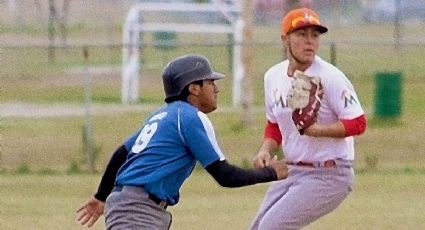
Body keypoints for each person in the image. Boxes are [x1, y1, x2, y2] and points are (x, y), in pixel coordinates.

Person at [76, 54, 289, 229]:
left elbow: (120, 154)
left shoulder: (163, 115)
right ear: (193, 88)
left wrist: (101, 196)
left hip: (135, 207)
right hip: (136, 211)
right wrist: (270, 173)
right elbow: (225, 175)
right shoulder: (189, 118)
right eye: (210, 81)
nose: (216, 88)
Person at [249, 8, 367, 230]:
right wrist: (265, 150)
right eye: (301, 34)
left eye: (314, 35)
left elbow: (358, 122)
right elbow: (275, 123)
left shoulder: (330, 76)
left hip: (330, 173)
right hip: (291, 169)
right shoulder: (273, 77)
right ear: (285, 39)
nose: (309, 41)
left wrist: (316, 130)